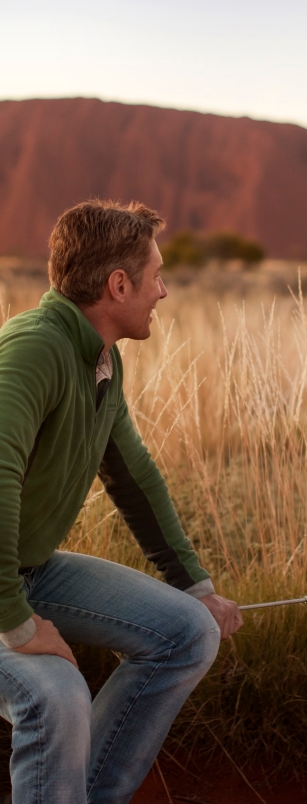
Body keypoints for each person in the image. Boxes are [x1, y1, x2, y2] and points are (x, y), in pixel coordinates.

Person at [0, 200, 243, 804]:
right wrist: (15, 622)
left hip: (28, 570)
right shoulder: (36, 349)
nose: (162, 290)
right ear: (117, 284)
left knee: (188, 632)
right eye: (156, 275)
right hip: (4, 586)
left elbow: (133, 475)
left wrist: (196, 588)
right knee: (56, 696)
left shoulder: (101, 359)